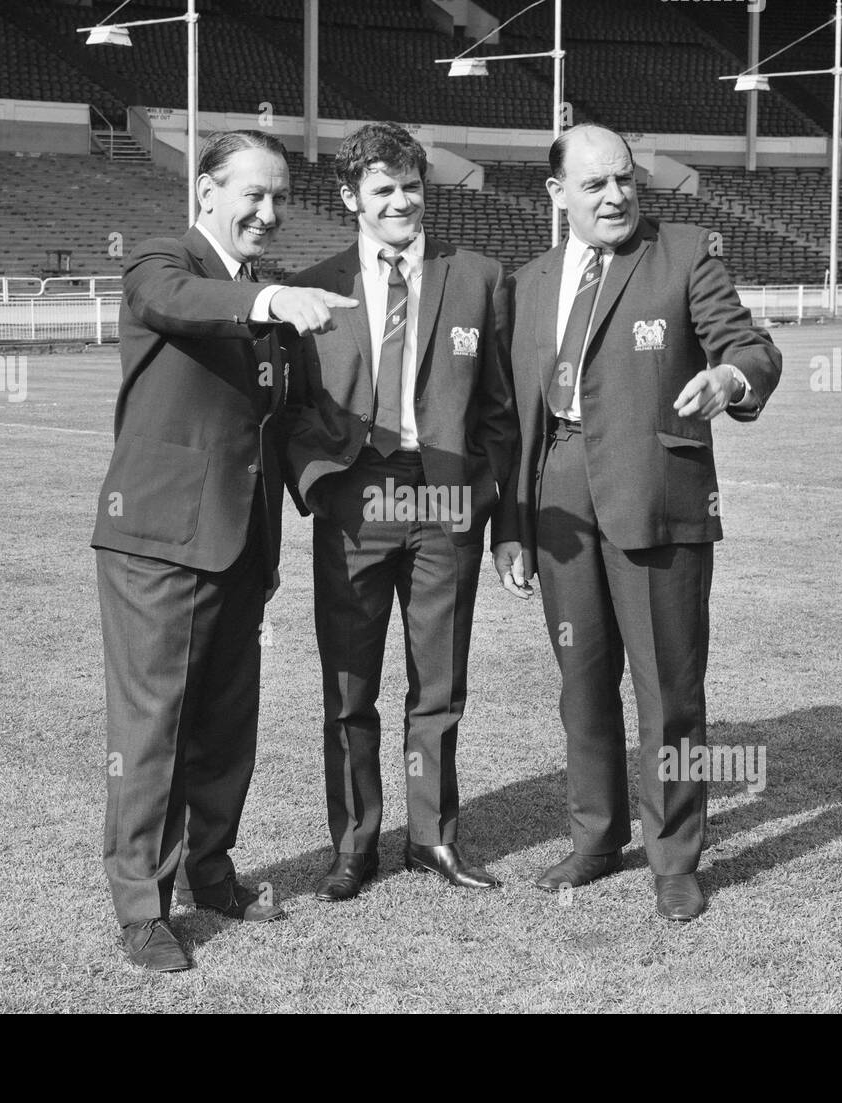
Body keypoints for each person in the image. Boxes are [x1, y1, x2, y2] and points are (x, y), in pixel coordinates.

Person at [494, 124, 781, 921]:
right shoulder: (527, 284)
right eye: (595, 185)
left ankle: (675, 858)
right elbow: (512, 419)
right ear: (557, 196)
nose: (616, 195)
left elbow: (749, 345)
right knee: (581, 682)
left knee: (669, 689)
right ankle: (595, 837)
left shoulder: (685, 251)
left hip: (657, 495)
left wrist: (730, 376)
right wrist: (510, 525)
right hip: (558, 501)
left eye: (624, 179)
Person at [91, 130, 357, 971]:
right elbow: (176, 301)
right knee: (153, 728)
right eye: (254, 194)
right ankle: (142, 906)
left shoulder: (259, 296)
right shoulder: (162, 261)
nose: (269, 213)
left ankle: (212, 872)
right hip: (158, 545)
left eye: (280, 199)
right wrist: (269, 304)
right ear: (206, 190)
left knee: (224, 725)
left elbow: (286, 428)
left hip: (244, 547)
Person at [283, 122, 517, 901]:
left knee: (439, 685)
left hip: (444, 501)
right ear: (352, 197)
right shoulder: (315, 285)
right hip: (354, 502)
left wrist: (483, 499)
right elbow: (292, 409)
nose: (400, 201)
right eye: (382, 189)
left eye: (411, 186)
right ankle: (354, 846)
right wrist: (321, 484)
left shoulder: (478, 277)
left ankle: (432, 838)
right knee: (348, 688)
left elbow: (500, 406)